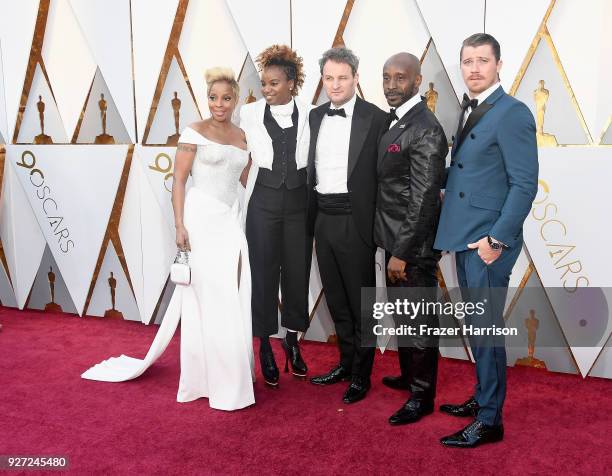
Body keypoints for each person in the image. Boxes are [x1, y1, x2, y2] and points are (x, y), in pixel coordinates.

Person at [82, 68, 255, 411]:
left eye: (226, 98)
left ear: (236, 100)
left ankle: (230, 374)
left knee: (229, 294)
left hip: (230, 221)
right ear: (206, 98)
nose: (219, 104)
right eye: (212, 97)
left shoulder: (242, 135)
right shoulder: (194, 132)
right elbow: (178, 181)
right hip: (200, 218)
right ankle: (204, 380)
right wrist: (179, 225)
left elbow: (247, 179)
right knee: (204, 297)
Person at [434, 33, 538, 447]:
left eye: (482, 60)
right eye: (467, 61)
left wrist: (496, 239)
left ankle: (491, 420)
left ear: (499, 64)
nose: (474, 68)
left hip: (488, 242)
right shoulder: (469, 108)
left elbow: (524, 184)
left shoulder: (513, 112)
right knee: (478, 326)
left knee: (486, 328)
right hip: (464, 234)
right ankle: (482, 397)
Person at [307, 47, 386, 404]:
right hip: (322, 218)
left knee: (361, 304)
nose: (335, 85)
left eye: (342, 77)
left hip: (357, 221)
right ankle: (346, 362)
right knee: (337, 300)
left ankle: (362, 375)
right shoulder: (314, 117)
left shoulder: (377, 118)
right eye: (329, 78)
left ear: (356, 78)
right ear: (322, 80)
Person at [375, 53, 447, 425]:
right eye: (386, 77)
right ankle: (408, 377)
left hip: (412, 246)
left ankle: (422, 396)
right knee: (404, 317)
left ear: (418, 82)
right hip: (395, 238)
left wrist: (401, 253)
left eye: (400, 78)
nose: (391, 85)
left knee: (418, 324)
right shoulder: (401, 120)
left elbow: (422, 199)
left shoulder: (426, 128)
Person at [240, 45, 312, 387]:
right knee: (263, 274)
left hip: (300, 203)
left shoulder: (312, 113)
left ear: (291, 82)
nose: (267, 89)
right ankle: (265, 345)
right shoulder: (248, 113)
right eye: (264, 83)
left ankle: (292, 341)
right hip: (263, 203)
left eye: (273, 83)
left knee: (297, 275)